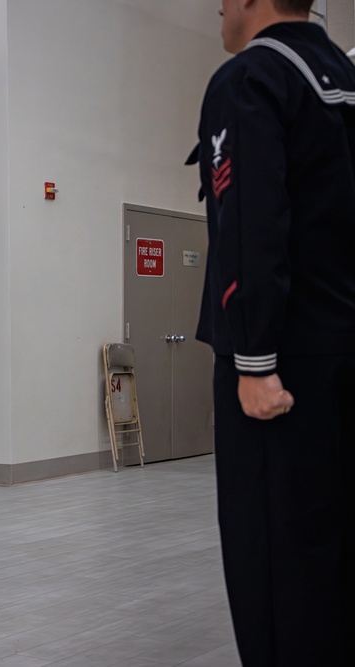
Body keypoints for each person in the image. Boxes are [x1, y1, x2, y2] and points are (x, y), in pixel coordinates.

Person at [192, 1, 355, 663]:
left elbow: (250, 221)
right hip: (343, 354)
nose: (219, 6)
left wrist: (253, 360)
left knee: (275, 567)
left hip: (282, 367)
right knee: (336, 563)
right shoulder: (343, 78)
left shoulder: (252, 78)